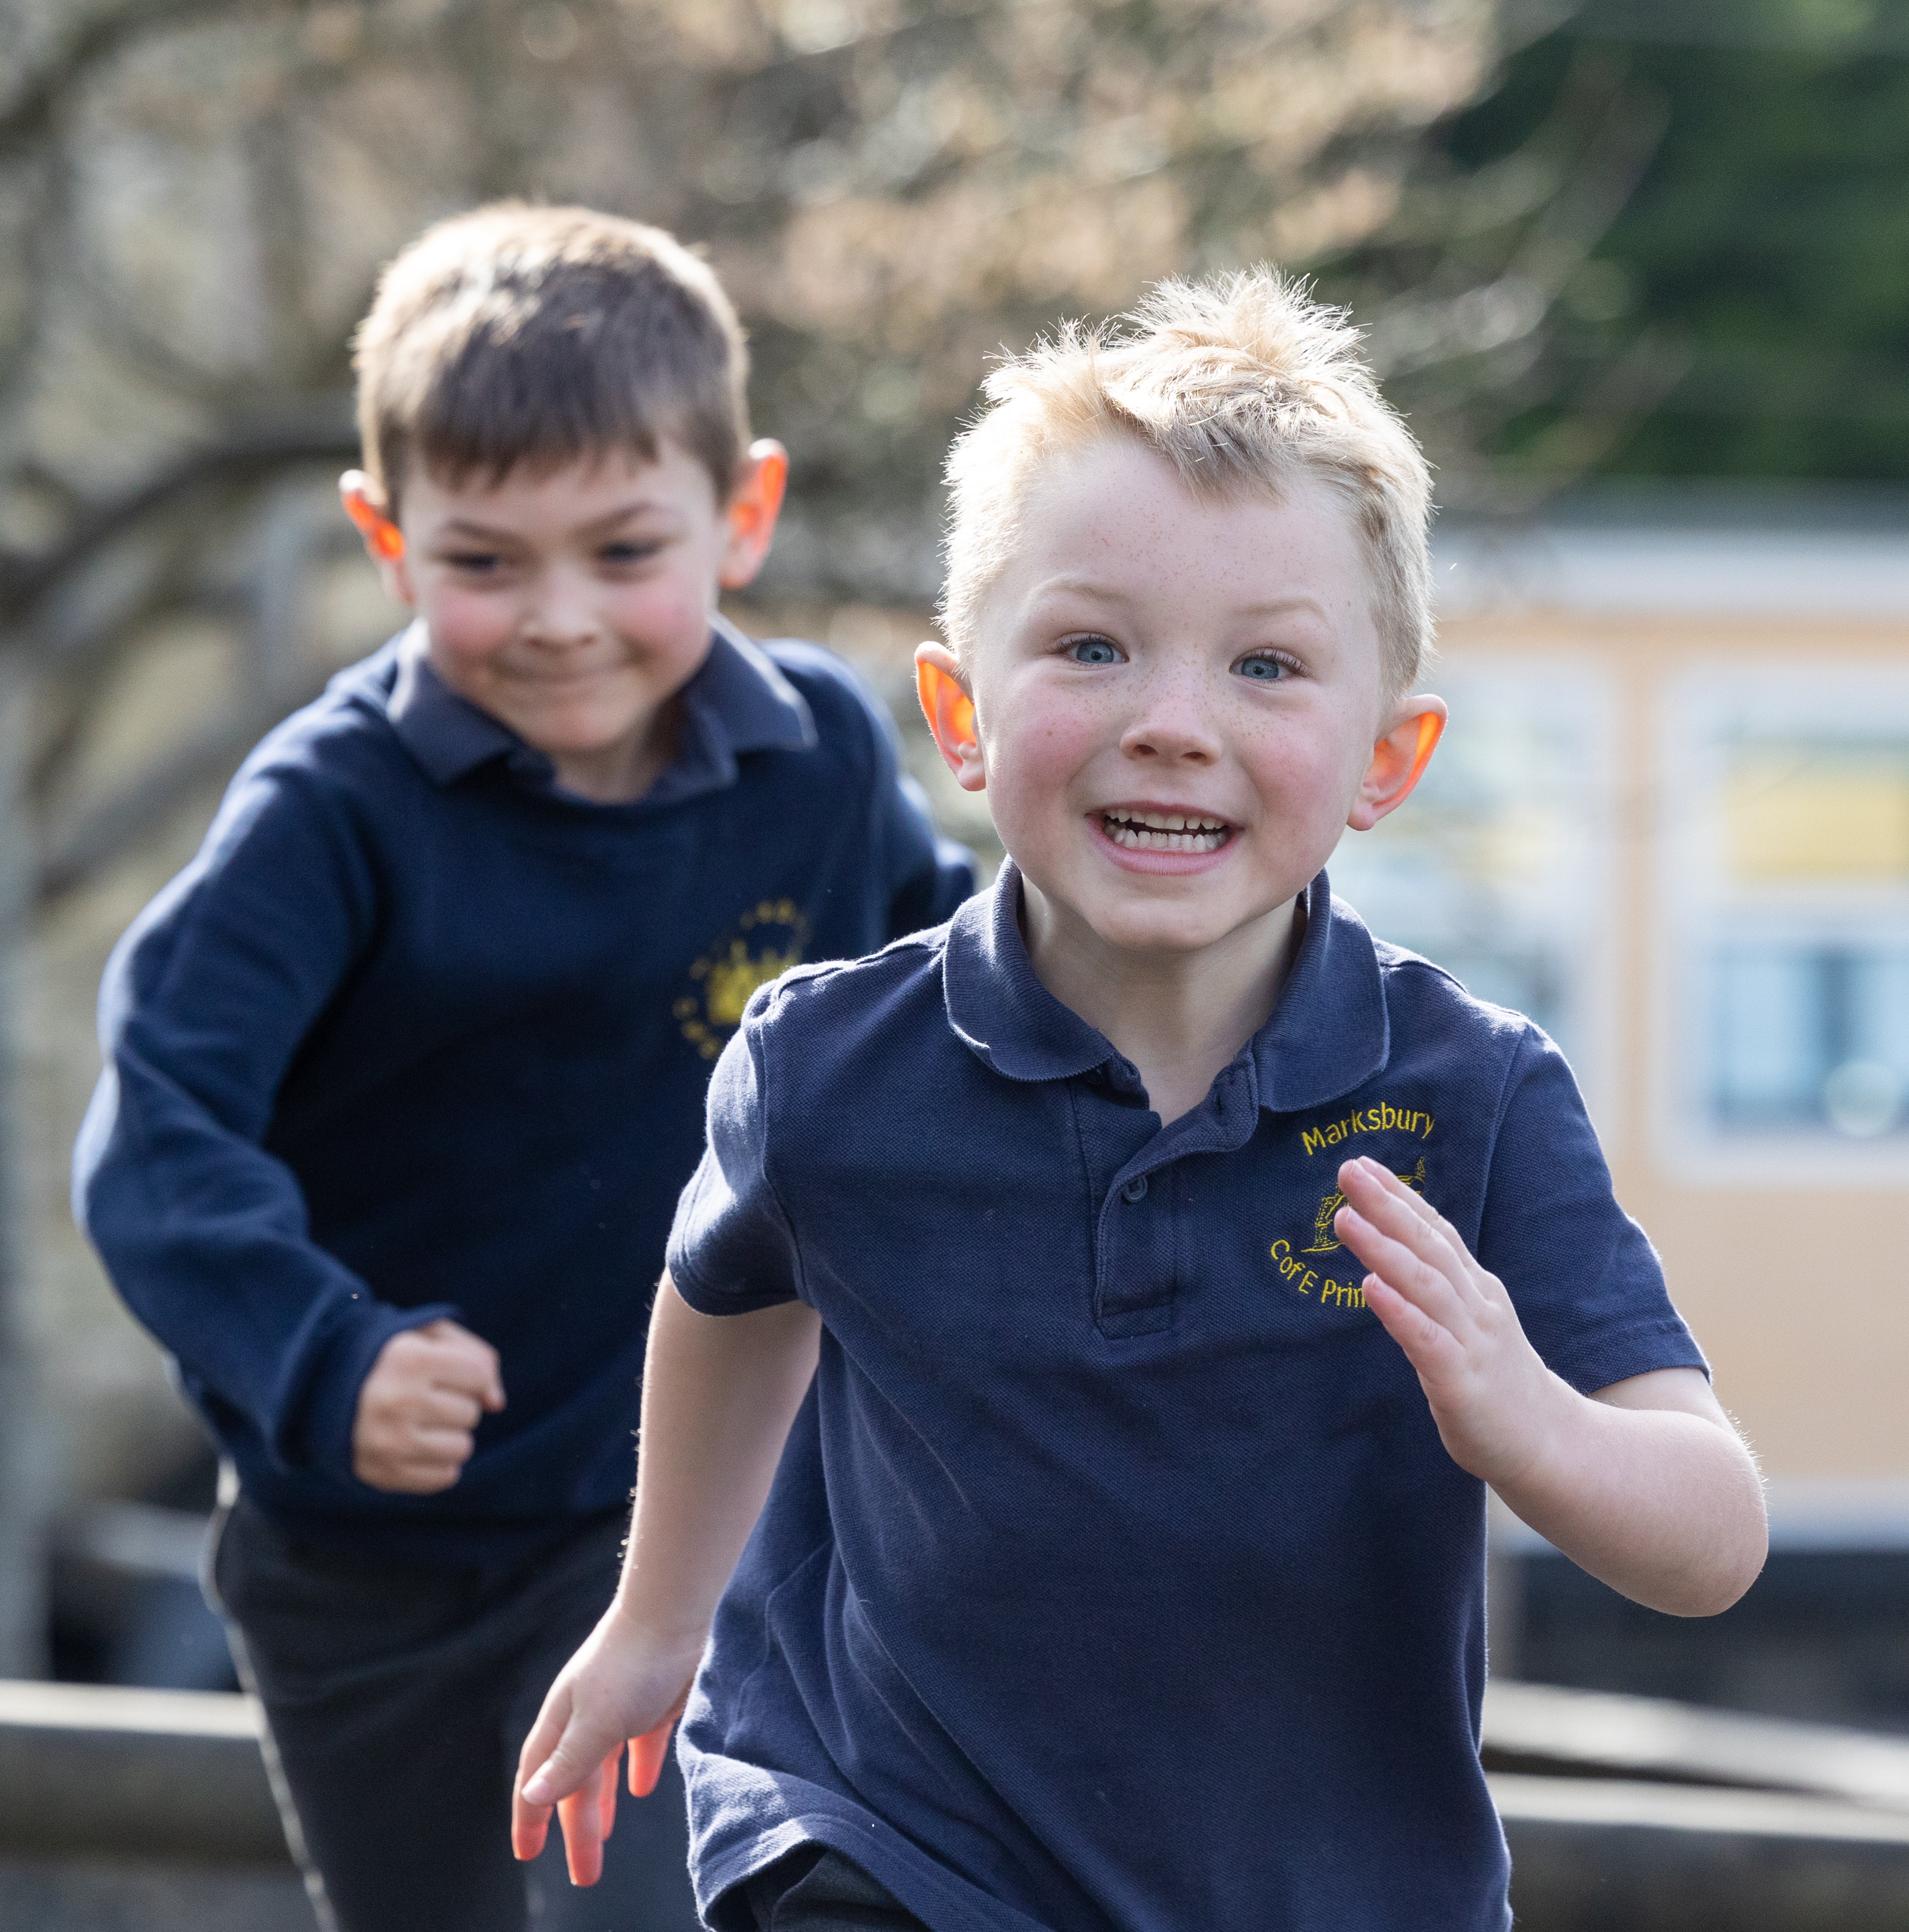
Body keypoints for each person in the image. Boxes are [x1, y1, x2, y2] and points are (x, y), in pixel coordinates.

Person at [512, 269, 1769, 1932]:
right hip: (889, 1848)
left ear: (1385, 761)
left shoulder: (1467, 1099)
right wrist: (657, 1618)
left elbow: (1710, 1536)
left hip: (1321, 1888)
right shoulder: (826, 1070)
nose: (1171, 726)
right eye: (1091, 647)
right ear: (959, 715)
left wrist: (1525, 1420)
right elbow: (731, 1298)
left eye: (1264, 667)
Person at [73, 201, 973, 1932]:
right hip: (364, 1564)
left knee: (647, 1907)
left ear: (743, 515)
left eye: (624, 552)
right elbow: (155, 1129)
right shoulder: (330, 815)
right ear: (386, 539)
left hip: (671, 1521)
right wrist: (326, 1353)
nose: (559, 619)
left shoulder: (820, 769)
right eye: (484, 563)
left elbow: (957, 1011)